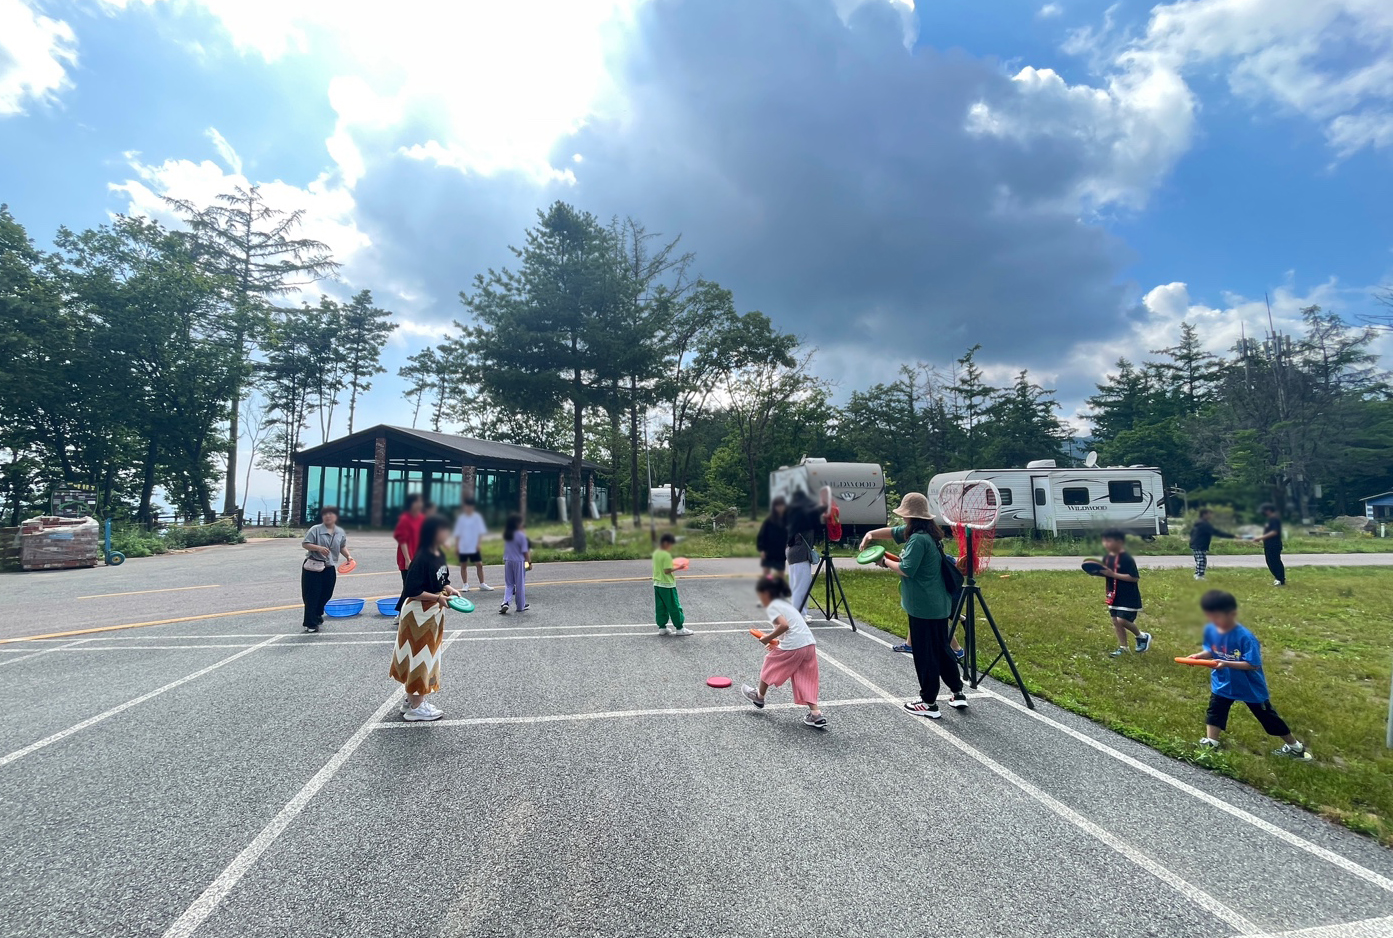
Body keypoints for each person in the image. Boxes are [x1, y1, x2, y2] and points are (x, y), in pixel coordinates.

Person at [1190, 590, 1311, 760]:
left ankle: (1295, 748)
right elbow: (1212, 650)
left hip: (1249, 686)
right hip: (1223, 683)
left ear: (1232, 614)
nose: (1214, 621)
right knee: (1215, 711)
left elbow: (1253, 664)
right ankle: (1211, 742)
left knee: (1267, 717)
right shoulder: (1212, 631)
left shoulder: (1245, 637)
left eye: (1218, 617)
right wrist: (1198, 657)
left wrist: (1226, 663)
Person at [878, 493, 968, 717]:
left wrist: (884, 561)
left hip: (923, 607)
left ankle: (929, 702)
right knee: (942, 649)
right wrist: (870, 535)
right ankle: (957, 692)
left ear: (910, 517)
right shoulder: (930, 535)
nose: (903, 519)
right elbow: (896, 535)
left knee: (924, 653)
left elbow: (906, 569)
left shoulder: (918, 539)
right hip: (937, 604)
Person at [389, 515, 460, 722]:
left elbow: (442, 579)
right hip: (418, 614)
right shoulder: (423, 556)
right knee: (419, 658)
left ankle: (411, 700)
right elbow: (412, 590)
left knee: (424, 657)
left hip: (431, 613)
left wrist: (448, 588)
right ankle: (416, 706)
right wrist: (437, 597)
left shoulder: (438, 553)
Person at [742, 576, 826, 729]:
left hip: (795, 645)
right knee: (805, 678)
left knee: (769, 664)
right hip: (809, 644)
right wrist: (777, 642)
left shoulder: (772, 606)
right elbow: (790, 627)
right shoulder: (785, 604)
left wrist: (767, 638)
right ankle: (816, 714)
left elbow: (784, 626)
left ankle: (759, 697)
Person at [1100, 528, 1151, 658]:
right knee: (1115, 621)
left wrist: (1113, 574)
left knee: (1122, 620)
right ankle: (1124, 647)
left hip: (1128, 596)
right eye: (1104, 541)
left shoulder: (1126, 559)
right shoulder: (1107, 558)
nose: (1106, 544)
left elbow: (1134, 578)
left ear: (1120, 542)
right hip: (1114, 595)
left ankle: (1142, 636)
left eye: (1109, 541)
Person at [300, 506, 350, 633]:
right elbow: (305, 544)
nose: (328, 516)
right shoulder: (315, 529)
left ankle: (317, 614)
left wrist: (348, 556)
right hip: (313, 567)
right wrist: (319, 548)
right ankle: (310, 623)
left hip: (329, 567)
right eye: (325, 514)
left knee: (327, 593)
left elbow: (342, 546)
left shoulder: (340, 532)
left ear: (336, 516)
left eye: (331, 514)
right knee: (312, 595)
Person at [784, 487, 829, 615]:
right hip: (800, 554)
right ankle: (799, 615)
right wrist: (824, 502)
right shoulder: (803, 517)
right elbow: (818, 512)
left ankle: (798, 613)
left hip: (794, 553)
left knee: (797, 586)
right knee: (801, 587)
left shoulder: (793, 516)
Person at [653, 532, 693, 635]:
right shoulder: (666, 555)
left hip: (657, 583)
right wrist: (679, 567)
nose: (671, 547)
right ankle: (680, 628)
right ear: (666, 543)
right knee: (674, 606)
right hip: (667, 584)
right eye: (670, 544)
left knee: (661, 606)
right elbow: (667, 570)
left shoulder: (656, 553)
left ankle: (662, 627)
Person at [452, 498, 493, 592]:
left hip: (473, 545)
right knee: (463, 565)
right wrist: (457, 546)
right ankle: (465, 584)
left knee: (479, 564)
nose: (468, 508)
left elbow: (480, 532)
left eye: (470, 506)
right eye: (467, 506)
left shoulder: (477, 518)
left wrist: (478, 543)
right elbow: (458, 533)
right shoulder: (461, 519)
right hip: (463, 545)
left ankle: (482, 584)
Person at [393, 494, 426, 594]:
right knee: (409, 588)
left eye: (421, 502)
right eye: (417, 502)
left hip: (419, 558)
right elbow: (402, 540)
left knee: (421, 588)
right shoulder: (405, 519)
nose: (420, 504)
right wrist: (407, 559)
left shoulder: (422, 518)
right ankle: (403, 604)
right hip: (407, 558)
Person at [1189, 508, 1235, 580]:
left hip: (1196, 544)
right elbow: (1216, 532)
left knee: (1200, 559)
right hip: (1199, 544)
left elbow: (1191, 533)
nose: (1211, 515)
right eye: (1209, 514)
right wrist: (1232, 536)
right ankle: (1199, 575)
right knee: (1201, 560)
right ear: (1204, 514)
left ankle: (1198, 574)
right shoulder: (1204, 524)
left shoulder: (1199, 523)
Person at [499, 512, 530, 614]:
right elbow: (525, 551)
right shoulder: (521, 536)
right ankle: (520, 606)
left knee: (509, 584)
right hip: (519, 561)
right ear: (517, 523)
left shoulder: (507, 535)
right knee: (519, 584)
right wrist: (529, 562)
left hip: (508, 560)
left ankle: (506, 602)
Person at [756, 496, 788, 580]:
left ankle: (779, 586)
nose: (780, 508)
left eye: (782, 505)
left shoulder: (787, 520)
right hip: (769, 550)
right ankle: (768, 584)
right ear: (775, 507)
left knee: (781, 572)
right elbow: (762, 535)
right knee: (767, 572)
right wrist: (762, 549)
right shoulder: (769, 520)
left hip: (781, 551)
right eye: (778, 506)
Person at [1256, 503, 1286, 587]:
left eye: (1264, 511)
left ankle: (1280, 579)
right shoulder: (1270, 519)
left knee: (1275, 561)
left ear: (1268, 510)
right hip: (1269, 544)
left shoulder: (1274, 519)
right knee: (1270, 561)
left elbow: (1274, 532)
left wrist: (1261, 537)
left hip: (1274, 544)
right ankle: (1278, 577)